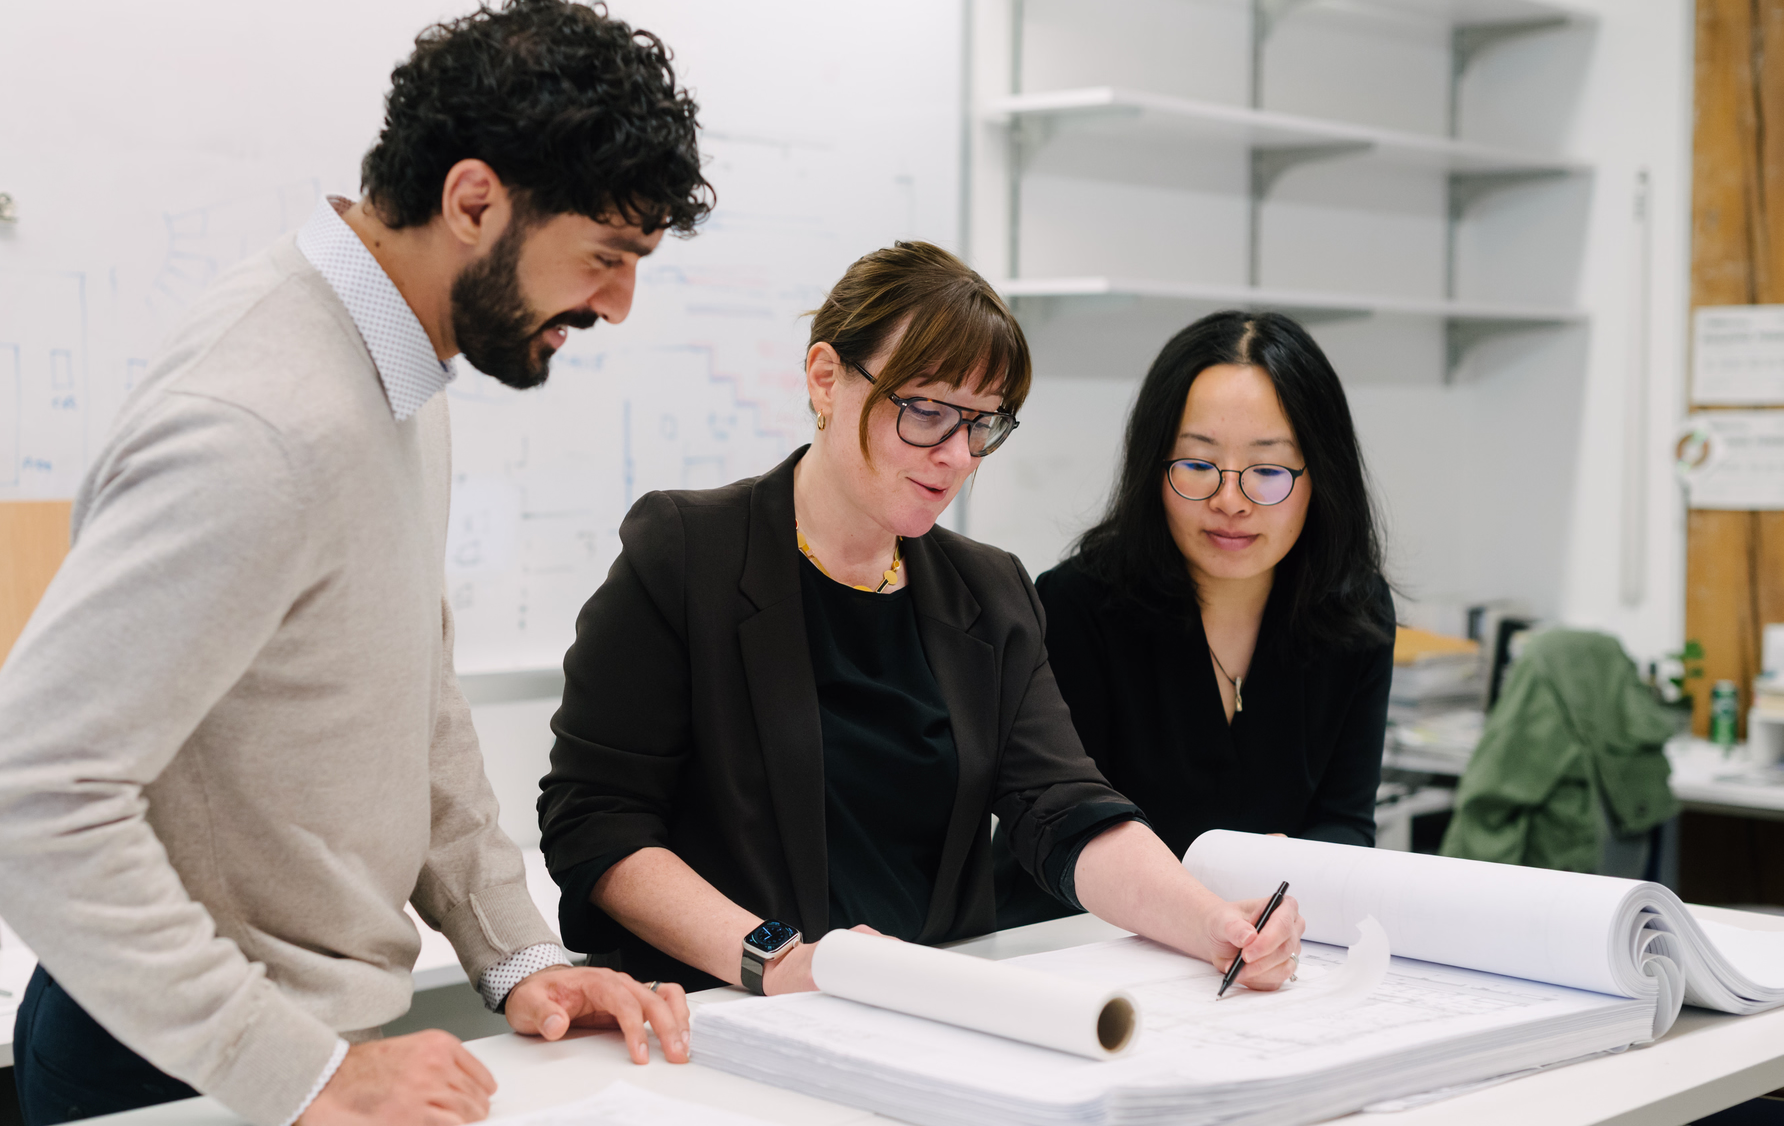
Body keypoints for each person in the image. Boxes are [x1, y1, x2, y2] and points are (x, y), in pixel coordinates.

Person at [0, 0, 713, 1126]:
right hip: (184, 1069)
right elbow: (18, 794)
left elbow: (413, 699)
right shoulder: (267, 423)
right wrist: (297, 1070)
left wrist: (519, 953)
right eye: (604, 256)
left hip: (298, 1056)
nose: (617, 303)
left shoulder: (397, 370)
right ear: (473, 200)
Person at [537, 244, 1306, 998]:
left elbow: (1064, 810)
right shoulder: (688, 554)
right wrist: (775, 960)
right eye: (927, 411)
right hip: (715, 1013)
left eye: (983, 425)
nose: (957, 455)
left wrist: (1210, 924)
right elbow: (597, 819)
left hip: (918, 1013)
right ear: (827, 378)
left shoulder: (989, 589)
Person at [994, 310, 1394, 928]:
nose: (1229, 500)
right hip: (1075, 948)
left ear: (1323, 476)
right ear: (1153, 467)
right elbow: (1064, 836)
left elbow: (1346, 820)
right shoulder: (1077, 608)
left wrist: (1304, 872)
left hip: (1255, 951)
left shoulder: (1355, 611)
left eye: (1268, 471)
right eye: (1198, 465)